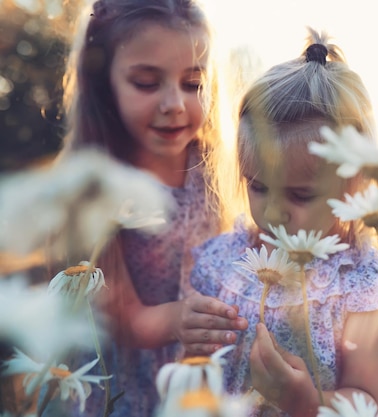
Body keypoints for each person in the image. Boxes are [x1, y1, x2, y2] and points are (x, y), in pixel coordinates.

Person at [189, 28, 378, 417]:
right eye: (259, 187)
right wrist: (192, 340)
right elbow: (196, 367)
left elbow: (367, 399)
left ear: (358, 184)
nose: (275, 212)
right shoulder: (224, 260)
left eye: (300, 195)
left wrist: (307, 402)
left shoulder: (362, 283)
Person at [52, 0, 248, 416]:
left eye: (193, 84)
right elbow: (121, 316)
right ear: (103, 82)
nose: (175, 103)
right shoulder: (93, 186)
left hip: (198, 379)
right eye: (146, 82)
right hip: (120, 387)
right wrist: (180, 319)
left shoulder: (213, 170)